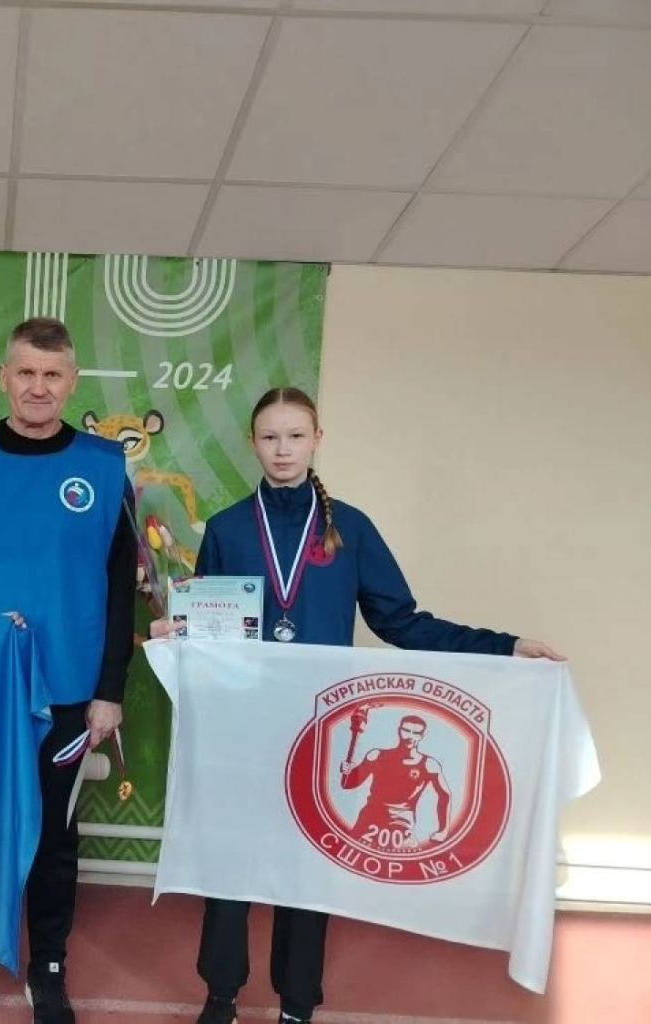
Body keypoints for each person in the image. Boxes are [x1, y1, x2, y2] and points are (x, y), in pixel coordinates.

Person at [151, 385, 562, 1024]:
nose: (283, 449)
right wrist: (175, 634)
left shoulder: (351, 529)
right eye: (270, 437)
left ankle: (296, 1003)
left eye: (295, 436)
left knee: (307, 870)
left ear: (317, 440)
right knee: (230, 861)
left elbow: (402, 621)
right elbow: (210, 627)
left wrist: (504, 647)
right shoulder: (229, 528)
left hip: (315, 734)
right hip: (243, 730)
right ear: (252, 443)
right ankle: (221, 994)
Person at [0, 317, 138, 1024]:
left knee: (54, 837)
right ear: (3, 378)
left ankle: (48, 967)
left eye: (53, 375)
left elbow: (120, 586)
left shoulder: (105, 466)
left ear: (72, 382)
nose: (39, 387)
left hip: (69, 690)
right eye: (26, 373)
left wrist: (109, 690)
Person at [341, 714, 451, 847]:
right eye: (406, 730)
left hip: (401, 821)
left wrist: (443, 831)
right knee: (349, 849)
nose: (410, 736)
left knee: (406, 854)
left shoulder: (429, 765)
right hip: (369, 816)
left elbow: (445, 795)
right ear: (399, 731)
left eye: (416, 733)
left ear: (422, 736)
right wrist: (347, 771)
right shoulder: (377, 755)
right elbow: (348, 784)